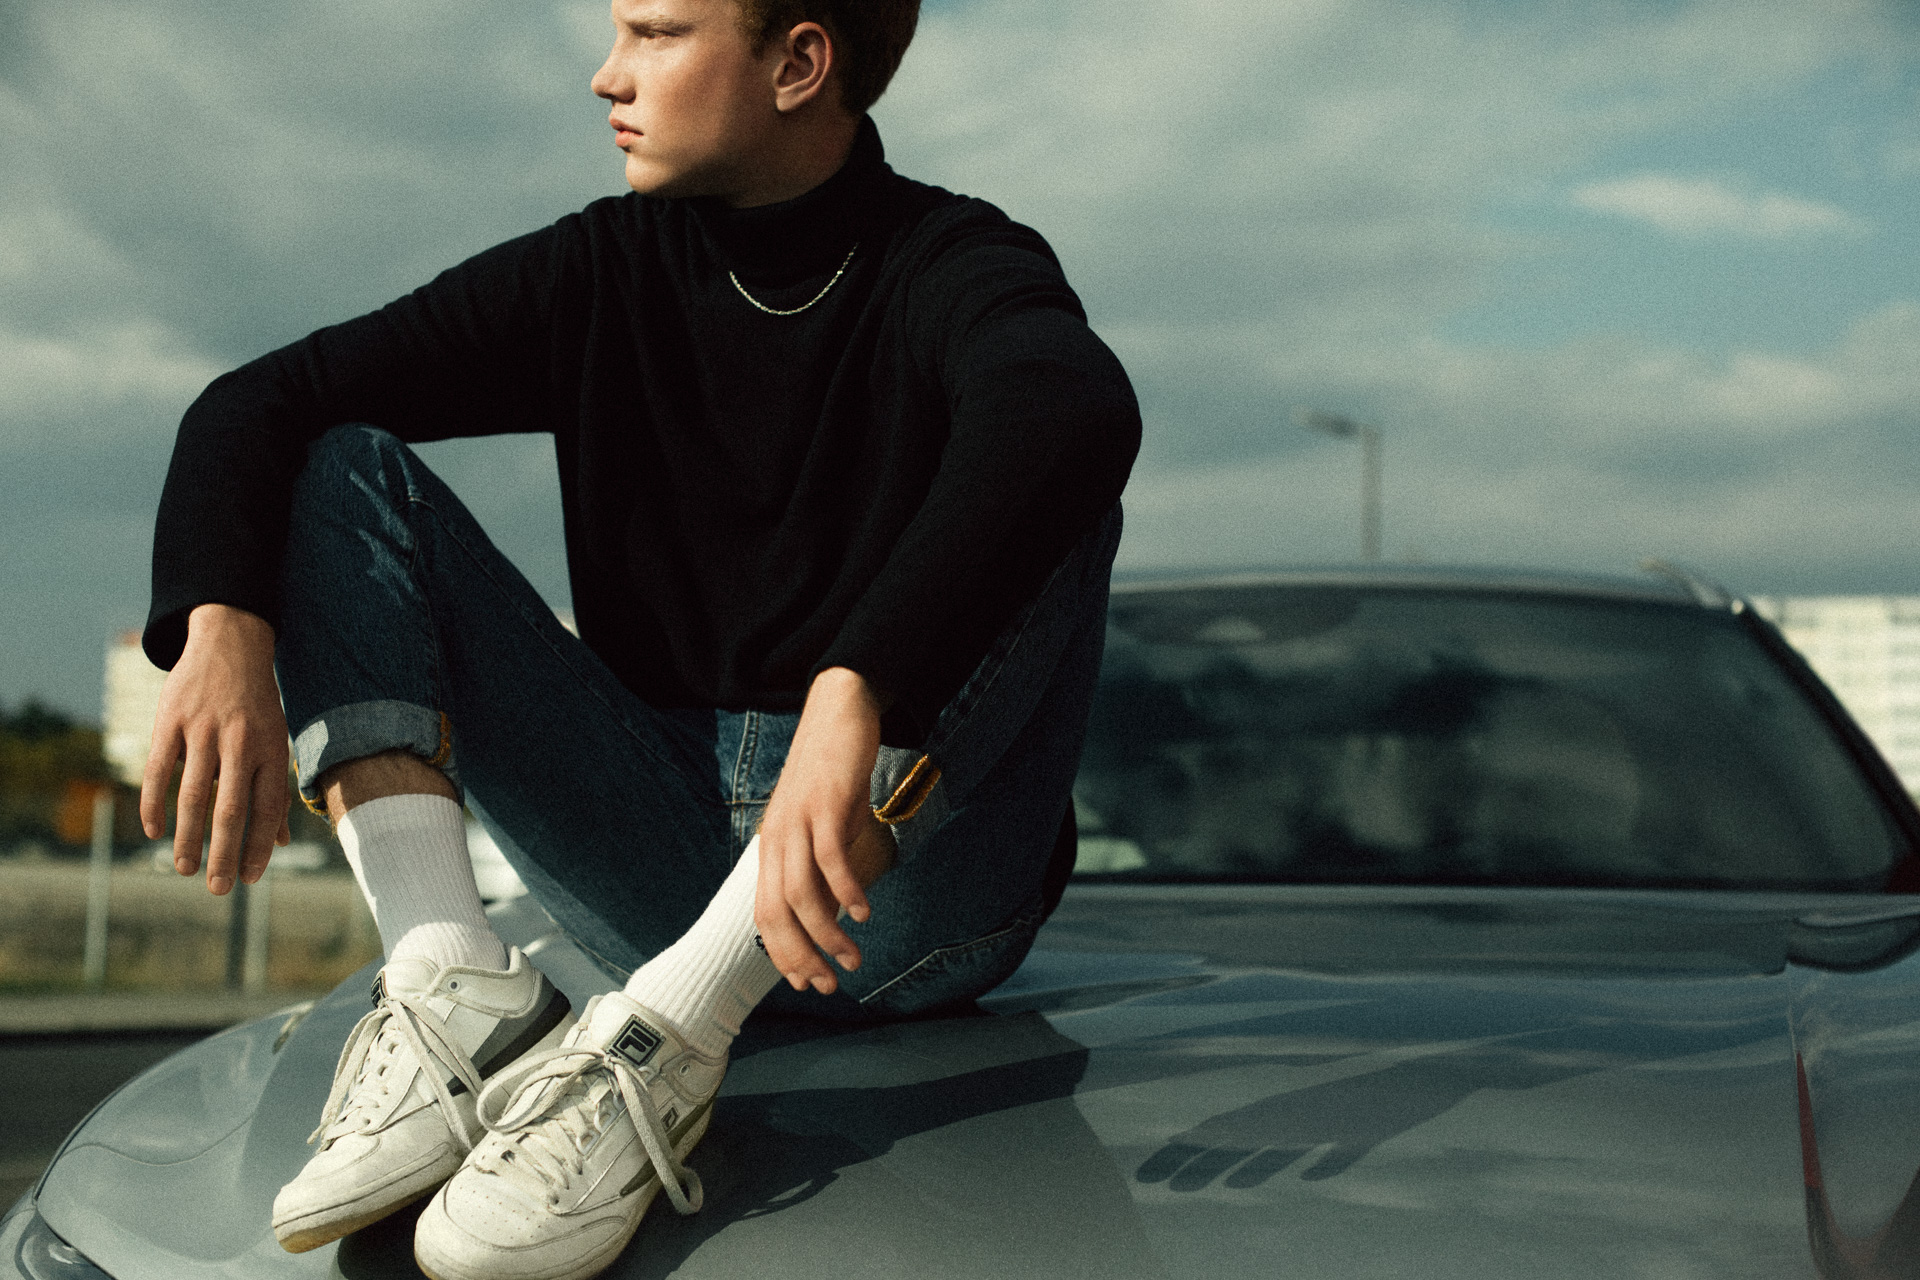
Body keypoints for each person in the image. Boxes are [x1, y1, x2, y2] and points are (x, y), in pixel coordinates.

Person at [138, 0, 1139, 1276]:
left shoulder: (948, 262)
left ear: (798, 63)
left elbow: (1070, 403)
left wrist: (859, 687)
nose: (607, 76)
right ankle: (450, 974)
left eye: (656, 33)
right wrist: (221, 625)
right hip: (657, 857)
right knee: (336, 464)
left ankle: (663, 1038)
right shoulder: (600, 274)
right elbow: (260, 399)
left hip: (910, 902)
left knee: (1056, 478)